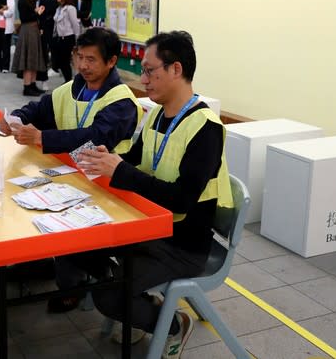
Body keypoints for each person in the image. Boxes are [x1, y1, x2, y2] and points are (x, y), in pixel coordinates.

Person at [56, 31, 235, 358]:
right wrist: (104, 159)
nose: (143, 79)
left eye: (150, 71)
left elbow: (181, 199)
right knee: (81, 247)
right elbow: (136, 160)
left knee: (107, 295)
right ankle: (145, 305)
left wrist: (120, 171)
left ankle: (174, 324)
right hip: (149, 226)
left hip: (182, 245)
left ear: (176, 70)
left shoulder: (206, 127)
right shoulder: (157, 114)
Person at [1, 27, 141, 154]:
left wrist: (42, 138)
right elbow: (40, 110)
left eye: (91, 59)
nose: (83, 65)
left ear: (111, 61)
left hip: (103, 178)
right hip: (68, 169)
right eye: (80, 57)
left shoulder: (122, 101)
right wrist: (15, 119)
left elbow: (97, 137)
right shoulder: (71, 88)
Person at [10, 0, 46, 96]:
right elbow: (25, 18)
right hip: (28, 30)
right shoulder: (22, 1)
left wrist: (37, 13)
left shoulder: (32, 0)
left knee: (34, 58)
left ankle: (33, 84)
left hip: (34, 30)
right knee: (28, 60)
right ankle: (27, 86)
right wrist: (37, 13)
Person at [50, 0, 81, 83]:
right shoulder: (59, 8)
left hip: (68, 38)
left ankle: (68, 81)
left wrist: (77, 38)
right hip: (59, 38)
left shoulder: (70, 8)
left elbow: (75, 24)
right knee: (60, 60)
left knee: (65, 61)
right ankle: (67, 80)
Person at [39, 0, 58, 80]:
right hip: (48, 26)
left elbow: (51, 9)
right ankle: (54, 66)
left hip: (52, 26)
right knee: (50, 46)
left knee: (53, 46)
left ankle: (55, 67)